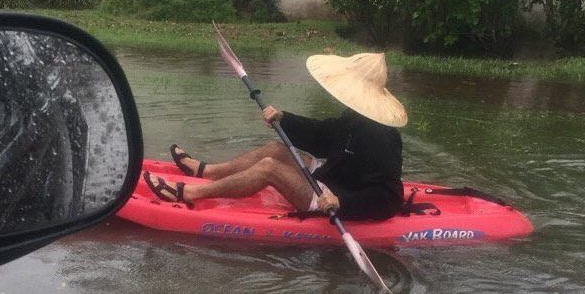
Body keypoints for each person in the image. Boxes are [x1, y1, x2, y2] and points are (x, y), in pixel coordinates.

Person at [143, 52, 407, 220]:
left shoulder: (383, 137)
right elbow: (323, 136)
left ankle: (190, 194)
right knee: (274, 150)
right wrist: (284, 119)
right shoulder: (354, 116)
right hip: (329, 178)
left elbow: (389, 198)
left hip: (333, 198)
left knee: (269, 168)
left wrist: (342, 202)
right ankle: (206, 171)